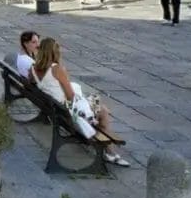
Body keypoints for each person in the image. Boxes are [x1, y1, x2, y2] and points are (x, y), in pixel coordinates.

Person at [31, 37, 130, 166]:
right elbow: (71, 96)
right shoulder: (57, 69)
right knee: (104, 111)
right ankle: (109, 152)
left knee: (97, 103)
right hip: (68, 108)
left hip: (56, 107)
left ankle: (107, 148)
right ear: (55, 52)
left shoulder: (33, 68)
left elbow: (35, 83)